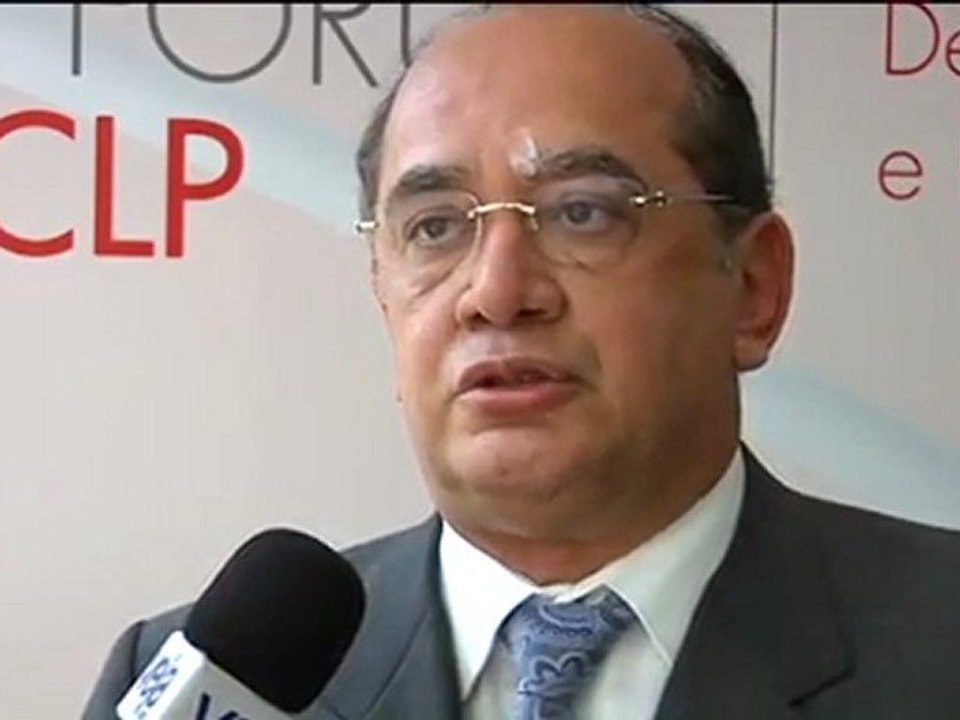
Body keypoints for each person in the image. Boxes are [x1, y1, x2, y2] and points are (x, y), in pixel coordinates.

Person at [83, 4, 960, 719]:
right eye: (436, 227)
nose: (497, 293)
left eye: (584, 213)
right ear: (383, 291)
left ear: (754, 288)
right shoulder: (203, 687)